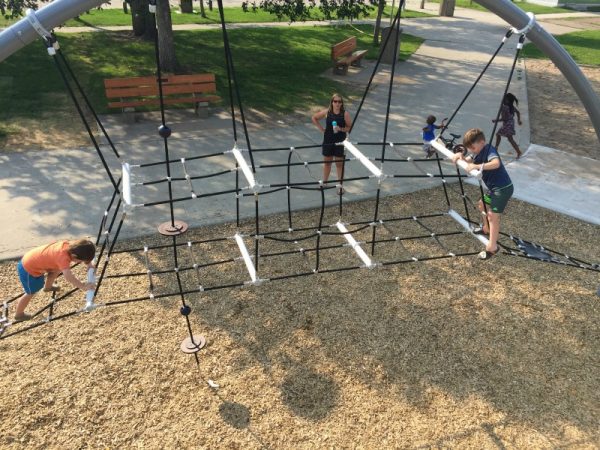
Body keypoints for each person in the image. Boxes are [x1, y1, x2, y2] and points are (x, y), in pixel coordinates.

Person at [451, 128, 513, 260]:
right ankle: (486, 229)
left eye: (473, 148)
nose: (472, 151)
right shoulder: (477, 151)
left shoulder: (489, 149)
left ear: (482, 142)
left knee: (492, 216)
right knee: (482, 204)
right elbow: (468, 160)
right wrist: (460, 156)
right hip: (493, 188)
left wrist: (478, 166)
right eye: (470, 148)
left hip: (503, 188)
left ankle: (492, 247)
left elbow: (496, 163)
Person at [14, 239, 96, 322]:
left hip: (33, 260)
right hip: (28, 269)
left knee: (57, 269)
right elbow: (68, 276)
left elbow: (82, 252)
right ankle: (19, 314)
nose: (81, 262)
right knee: (31, 292)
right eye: (81, 261)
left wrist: (88, 264)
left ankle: (48, 287)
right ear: (74, 256)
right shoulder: (62, 258)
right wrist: (83, 286)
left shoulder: (70, 246)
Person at [311, 93, 352, 194]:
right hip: (328, 141)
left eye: (339, 102)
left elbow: (349, 127)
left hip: (340, 142)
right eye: (335, 101)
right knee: (327, 163)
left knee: (339, 164)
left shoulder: (345, 114)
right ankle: (324, 183)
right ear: (332, 102)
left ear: (342, 103)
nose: (337, 104)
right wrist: (321, 129)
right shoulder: (327, 112)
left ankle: (340, 186)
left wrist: (341, 128)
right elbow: (314, 118)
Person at [493, 93, 523, 159]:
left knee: (503, 136)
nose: (503, 100)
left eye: (504, 99)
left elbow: (504, 118)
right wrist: (518, 120)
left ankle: (496, 148)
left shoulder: (505, 108)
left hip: (507, 124)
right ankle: (496, 148)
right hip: (511, 123)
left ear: (507, 101)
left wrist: (496, 120)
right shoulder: (511, 107)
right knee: (505, 137)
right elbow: (518, 112)